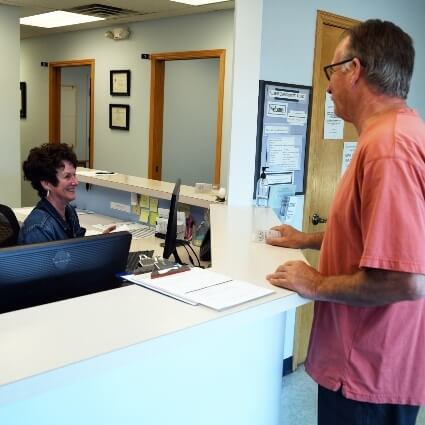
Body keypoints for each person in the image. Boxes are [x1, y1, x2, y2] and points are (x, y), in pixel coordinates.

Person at [266, 20, 425, 425]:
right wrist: (306, 239)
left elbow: (403, 279)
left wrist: (315, 283)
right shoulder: (400, 132)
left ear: (354, 70)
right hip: (371, 365)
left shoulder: (388, 148)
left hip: (366, 372)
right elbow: (374, 236)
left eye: (331, 71)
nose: (329, 86)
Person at [18, 143, 114, 244]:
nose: (76, 182)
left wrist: (99, 244)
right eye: (67, 176)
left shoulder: (69, 211)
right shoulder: (38, 229)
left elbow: (76, 252)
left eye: (74, 175)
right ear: (47, 183)